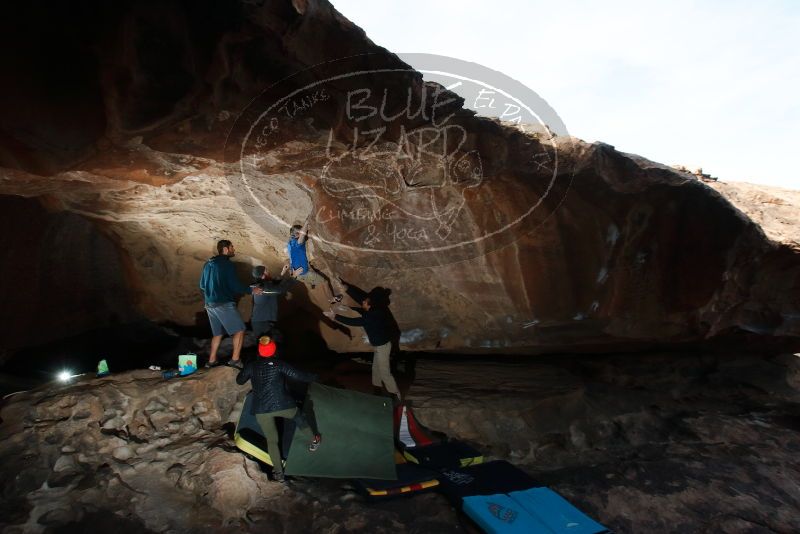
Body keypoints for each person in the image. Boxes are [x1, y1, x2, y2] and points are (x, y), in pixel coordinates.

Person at [236, 335, 323, 482]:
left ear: (259, 351)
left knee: (272, 440)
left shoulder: (252, 366)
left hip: (262, 409)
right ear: (274, 350)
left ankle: (278, 473)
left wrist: (248, 367)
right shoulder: (279, 364)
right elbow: (299, 375)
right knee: (298, 417)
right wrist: (316, 376)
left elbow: (239, 381)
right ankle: (314, 440)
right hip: (283, 405)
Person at [323, 282, 401, 400]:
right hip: (379, 345)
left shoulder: (373, 316)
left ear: (370, 305)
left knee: (384, 372)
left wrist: (335, 317)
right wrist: (347, 289)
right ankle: (377, 390)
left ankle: (395, 394)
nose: (363, 302)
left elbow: (354, 322)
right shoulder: (374, 308)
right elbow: (360, 298)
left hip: (383, 346)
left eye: (365, 302)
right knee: (376, 368)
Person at [199, 239, 263, 368]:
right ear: (226, 249)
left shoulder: (207, 264)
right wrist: (252, 290)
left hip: (209, 304)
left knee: (218, 333)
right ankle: (235, 360)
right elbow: (235, 286)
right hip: (223, 303)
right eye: (232, 247)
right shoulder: (227, 265)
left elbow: (202, 285)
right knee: (240, 330)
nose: (234, 249)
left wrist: (210, 297)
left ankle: (211, 361)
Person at [286, 219, 343, 303]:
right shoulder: (298, 244)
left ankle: (312, 283)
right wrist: (307, 221)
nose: (305, 234)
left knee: (310, 269)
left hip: (297, 272)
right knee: (325, 282)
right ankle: (331, 299)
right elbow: (302, 235)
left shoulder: (290, 243)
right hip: (303, 273)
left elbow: (291, 256)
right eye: (303, 233)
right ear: (298, 235)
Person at [250, 264, 294, 338]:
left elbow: (274, 284)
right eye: (266, 271)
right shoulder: (261, 288)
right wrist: (293, 277)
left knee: (271, 344)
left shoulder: (262, 284)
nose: (269, 272)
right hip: (261, 323)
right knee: (266, 346)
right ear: (263, 276)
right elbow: (280, 289)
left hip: (264, 321)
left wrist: (283, 273)